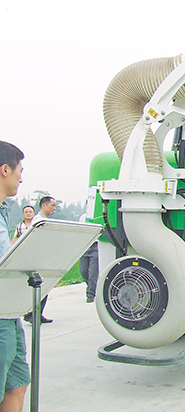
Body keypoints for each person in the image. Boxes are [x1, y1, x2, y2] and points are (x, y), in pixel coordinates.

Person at [0, 140, 31, 412]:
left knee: (18, 383)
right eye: (20, 170)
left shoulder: (4, 211)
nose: (22, 178)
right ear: (5, 170)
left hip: (10, 313)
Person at [23, 197, 56, 324]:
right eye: (52, 205)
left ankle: (37, 313)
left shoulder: (43, 220)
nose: (54, 208)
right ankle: (32, 313)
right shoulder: (38, 221)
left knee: (44, 287)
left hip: (43, 258)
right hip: (38, 259)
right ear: (44, 205)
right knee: (40, 286)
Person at [79, 213, 99, 303]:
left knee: (93, 272)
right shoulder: (83, 217)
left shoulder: (98, 216)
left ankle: (90, 294)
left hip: (96, 245)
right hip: (85, 244)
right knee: (83, 270)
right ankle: (92, 285)